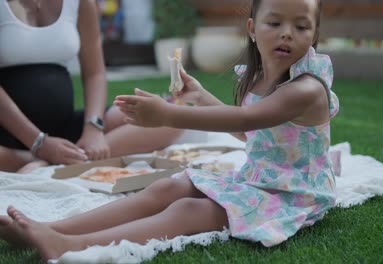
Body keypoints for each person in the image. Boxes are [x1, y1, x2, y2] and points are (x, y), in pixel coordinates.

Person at [0, 0, 339, 261]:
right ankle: (49, 229)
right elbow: (252, 134)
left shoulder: (305, 89)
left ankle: (68, 244)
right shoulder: (257, 79)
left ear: (314, 35)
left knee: (188, 211)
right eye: (275, 22)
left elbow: (245, 121)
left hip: (291, 195)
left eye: (301, 26)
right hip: (258, 178)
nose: (286, 33)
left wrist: (169, 114)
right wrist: (200, 97)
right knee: (167, 188)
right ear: (252, 28)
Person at [0, 0, 182, 173]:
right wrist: (39, 143)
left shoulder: (80, 3)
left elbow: (95, 73)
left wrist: (94, 128)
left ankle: (60, 161)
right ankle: (41, 160)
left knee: (170, 117)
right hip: (7, 133)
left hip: (65, 127)